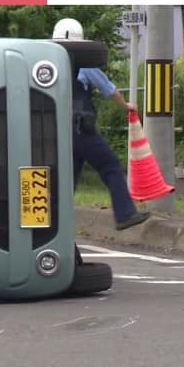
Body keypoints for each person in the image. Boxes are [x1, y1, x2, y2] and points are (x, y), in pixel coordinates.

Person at [52, 18, 151, 231]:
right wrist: (126, 105)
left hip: (57, 132)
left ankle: (55, 225)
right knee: (111, 165)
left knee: (67, 180)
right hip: (81, 130)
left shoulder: (48, 65)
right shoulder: (84, 65)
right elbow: (108, 89)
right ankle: (125, 214)